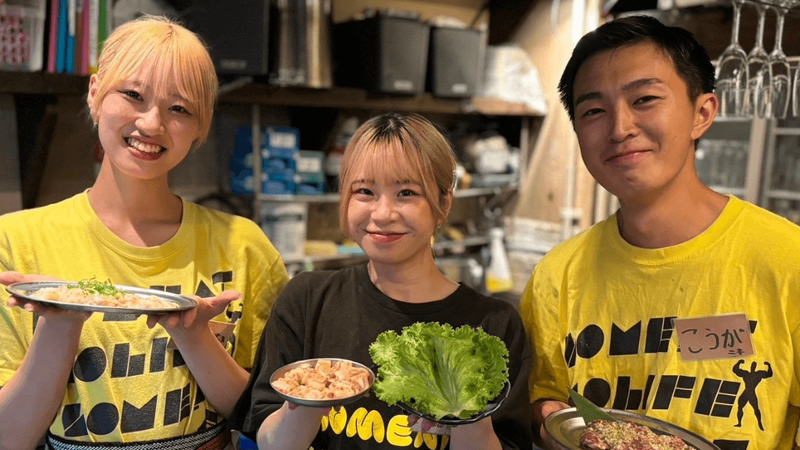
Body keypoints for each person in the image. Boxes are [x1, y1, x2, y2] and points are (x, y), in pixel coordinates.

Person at [0, 16, 288, 450]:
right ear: (95, 93)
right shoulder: (16, 241)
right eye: (133, 95)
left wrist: (197, 337)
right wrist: (59, 324)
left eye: (180, 109)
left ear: (202, 125)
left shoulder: (244, 246)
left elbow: (263, 421)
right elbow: (9, 438)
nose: (152, 124)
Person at [519, 15, 800, 450]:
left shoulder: (787, 259)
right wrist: (550, 423)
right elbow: (546, 400)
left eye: (645, 99)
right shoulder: (556, 277)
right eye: (594, 111)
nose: (620, 128)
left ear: (702, 113)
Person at [228, 112, 532, 450]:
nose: (383, 214)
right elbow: (270, 442)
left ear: (444, 203)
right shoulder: (307, 299)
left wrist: (467, 414)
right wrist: (311, 394)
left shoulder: (495, 324)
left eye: (406, 192)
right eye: (365, 191)